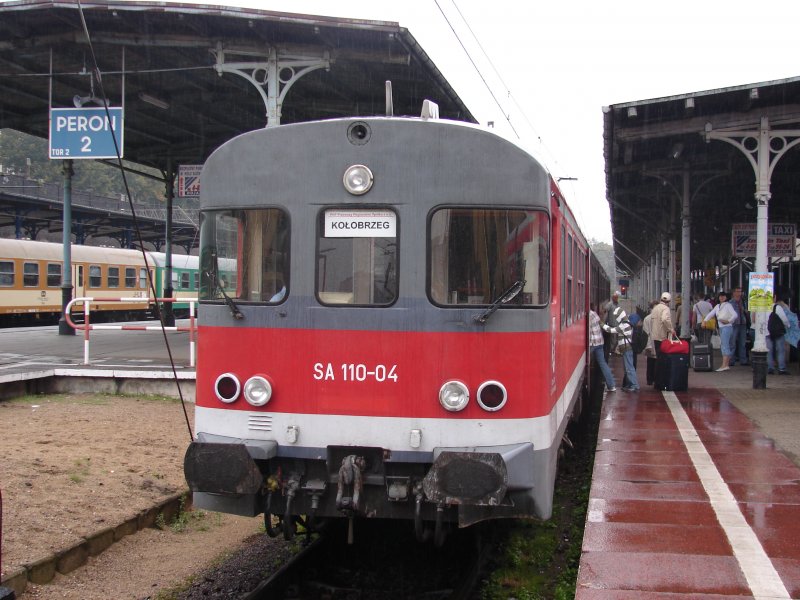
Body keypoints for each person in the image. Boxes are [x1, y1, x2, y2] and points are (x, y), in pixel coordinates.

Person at [601, 302, 640, 392]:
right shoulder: (626, 323)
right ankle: (630, 384)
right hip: (626, 349)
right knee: (627, 367)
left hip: (627, 349)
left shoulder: (624, 325)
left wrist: (601, 324)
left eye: (616, 316)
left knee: (629, 367)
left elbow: (611, 330)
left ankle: (634, 385)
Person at [703, 290, 736, 372]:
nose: (721, 297)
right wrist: (705, 321)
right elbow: (711, 314)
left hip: (727, 327)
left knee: (725, 346)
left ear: (726, 297)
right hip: (721, 328)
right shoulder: (717, 306)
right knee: (724, 345)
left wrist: (728, 321)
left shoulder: (728, 305)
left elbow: (735, 315)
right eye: (720, 296)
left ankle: (725, 365)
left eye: (723, 296)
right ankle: (725, 364)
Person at [589, 303, 617, 392]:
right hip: (600, 342)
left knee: (581, 363)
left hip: (592, 343)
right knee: (603, 364)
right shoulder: (594, 314)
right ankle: (611, 385)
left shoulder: (589, 315)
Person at [767, 293, 791, 375]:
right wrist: (788, 325)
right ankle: (781, 368)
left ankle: (770, 368)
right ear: (774, 298)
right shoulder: (777, 307)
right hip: (778, 331)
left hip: (767, 332)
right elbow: (784, 319)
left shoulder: (763, 308)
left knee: (769, 350)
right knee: (780, 350)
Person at [729, 286, 749, 366]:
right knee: (732, 343)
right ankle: (731, 360)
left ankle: (743, 360)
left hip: (742, 324)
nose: (739, 293)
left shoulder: (743, 302)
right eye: (737, 291)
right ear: (733, 293)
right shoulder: (730, 303)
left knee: (742, 343)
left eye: (740, 292)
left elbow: (746, 311)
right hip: (734, 324)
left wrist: (746, 311)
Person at [642, 301, 657, 385]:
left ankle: (649, 379)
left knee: (650, 362)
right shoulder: (659, 318)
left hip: (649, 343)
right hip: (656, 342)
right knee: (656, 361)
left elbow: (645, 332)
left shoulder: (646, 318)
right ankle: (655, 378)